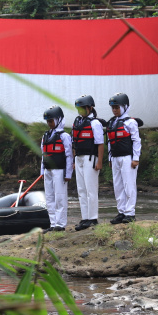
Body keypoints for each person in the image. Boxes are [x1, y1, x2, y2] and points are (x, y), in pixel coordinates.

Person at [72, 94, 105, 231]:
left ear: (90, 108)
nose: (80, 111)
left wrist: (100, 162)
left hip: (91, 159)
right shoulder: (78, 122)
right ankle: (85, 217)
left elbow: (100, 143)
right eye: (78, 108)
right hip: (79, 158)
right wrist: (74, 159)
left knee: (91, 190)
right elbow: (74, 143)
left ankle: (92, 218)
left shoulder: (95, 123)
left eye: (82, 108)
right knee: (81, 189)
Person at [107, 93, 141, 224]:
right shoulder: (111, 122)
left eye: (117, 107)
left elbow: (136, 141)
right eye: (113, 107)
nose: (115, 110)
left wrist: (136, 158)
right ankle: (121, 211)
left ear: (125, 107)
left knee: (129, 185)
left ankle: (130, 212)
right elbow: (109, 142)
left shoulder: (131, 122)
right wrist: (110, 158)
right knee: (118, 186)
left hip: (128, 158)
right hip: (115, 158)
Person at [41, 105, 73, 232]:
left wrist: (68, 173)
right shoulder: (45, 136)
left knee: (60, 196)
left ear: (59, 119)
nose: (49, 123)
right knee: (49, 197)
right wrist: (42, 170)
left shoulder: (64, 136)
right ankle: (53, 223)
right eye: (48, 121)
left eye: (51, 120)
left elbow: (69, 155)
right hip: (48, 170)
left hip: (60, 170)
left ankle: (60, 224)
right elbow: (43, 154)